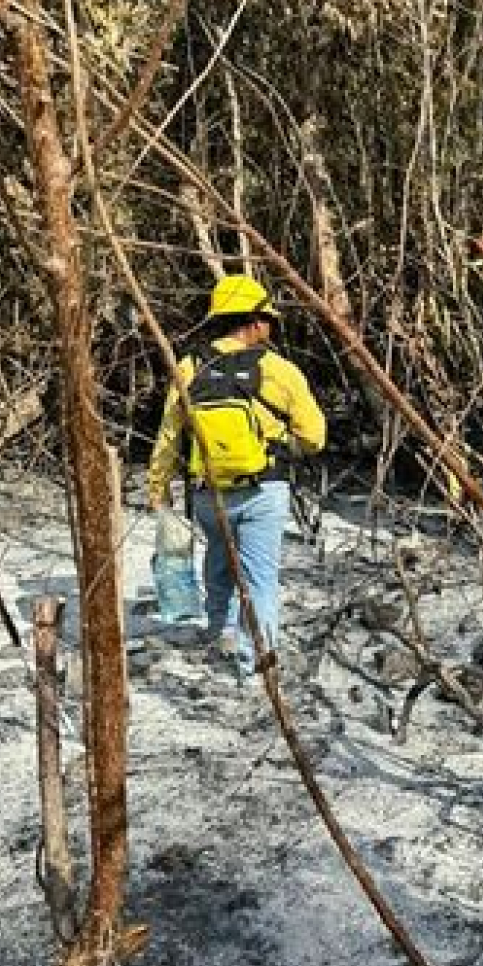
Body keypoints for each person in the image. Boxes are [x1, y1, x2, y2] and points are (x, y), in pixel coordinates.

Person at [147, 273, 326, 677]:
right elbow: (315, 436)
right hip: (263, 490)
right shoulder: (279, 369)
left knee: (219, 559)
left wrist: (158, 489)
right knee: (259, 578)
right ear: (255, 321)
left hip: (208, 494)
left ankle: (218, 630)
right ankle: (254, 663)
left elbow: (169, 436)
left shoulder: (189, 366)